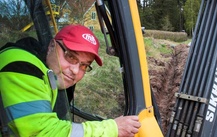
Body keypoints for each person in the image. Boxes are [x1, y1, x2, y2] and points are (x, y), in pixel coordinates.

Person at [0, 24, 141, 137]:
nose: (75, 70)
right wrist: (112, 129)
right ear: (51, 46)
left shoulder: (50, 74)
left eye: (84, 65)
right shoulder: (21, 65)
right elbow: (42, 132)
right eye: (71, 57)